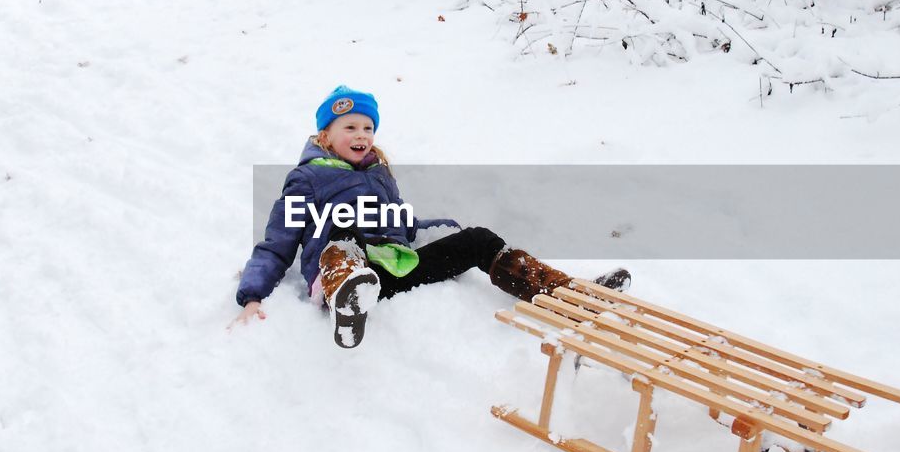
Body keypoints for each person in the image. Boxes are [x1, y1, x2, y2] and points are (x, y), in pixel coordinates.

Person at [234, 85, 630, 347]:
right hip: (341, 270)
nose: (362, 134)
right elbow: (276, 244)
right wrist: (252, 295)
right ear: (326, 135)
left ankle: (565, 295)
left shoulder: (379, 173)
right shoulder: (307, 179)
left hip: (390, 268)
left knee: (479, 239)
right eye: (350, 126)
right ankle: (348, 303)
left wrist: (437, 231)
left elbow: (399, 224)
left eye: (368, 127)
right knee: (341, 240)